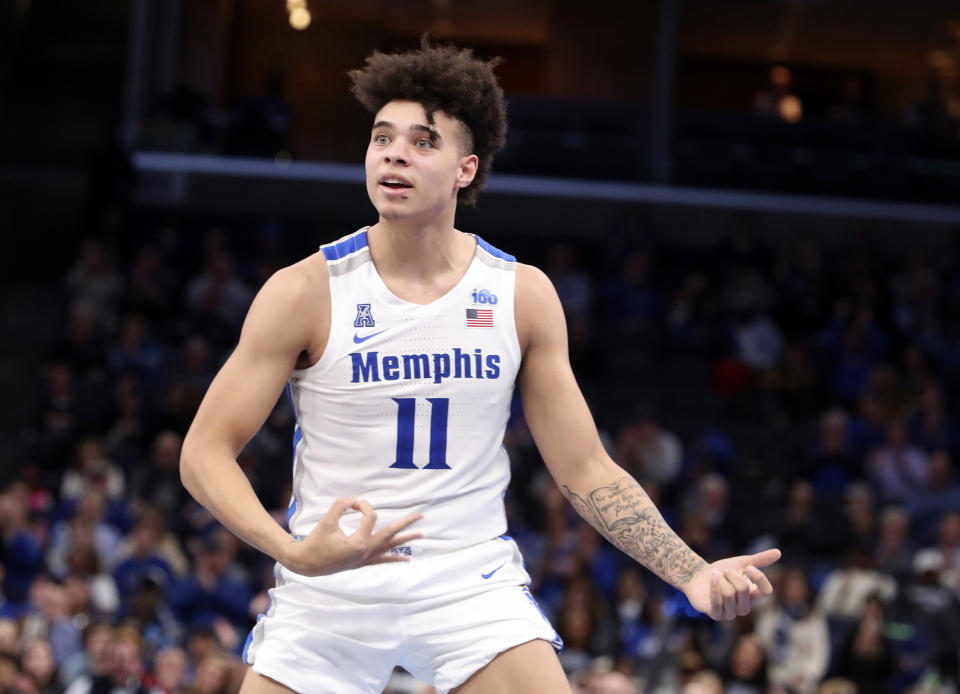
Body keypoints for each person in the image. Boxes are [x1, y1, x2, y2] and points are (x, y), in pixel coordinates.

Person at [179, 40, 781, 694]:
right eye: (382, 138)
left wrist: (690, 572)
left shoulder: (521, 295)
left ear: (466, 169)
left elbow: (585, 469)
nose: (394, 154)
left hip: (467, 586)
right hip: (331, 589)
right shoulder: (304, 291)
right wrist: (292, 552)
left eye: (422, 141)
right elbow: (203, 452)